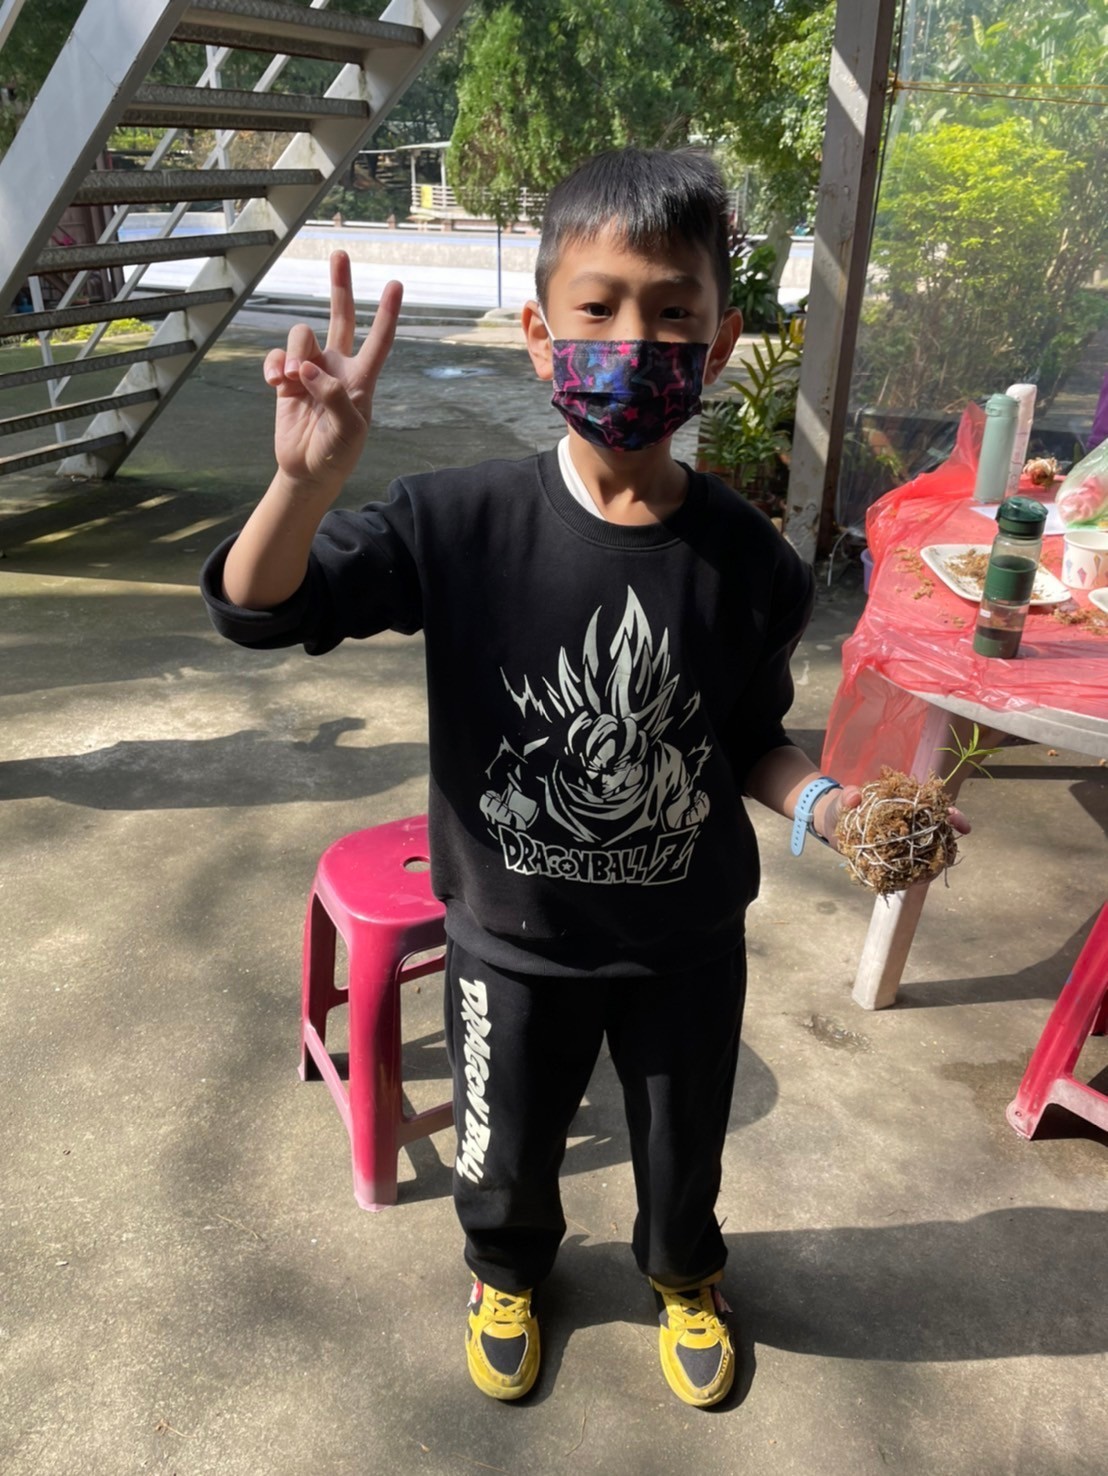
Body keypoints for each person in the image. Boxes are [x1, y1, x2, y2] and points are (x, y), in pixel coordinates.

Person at [200, 148, 959, 1409]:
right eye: (597, 309)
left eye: (672, 312)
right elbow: (261, 609)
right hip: (510, 942)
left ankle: (683, 1274)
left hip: (686, 944)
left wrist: (830, 806)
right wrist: (301, 483)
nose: (633, 341)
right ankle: (505, 1272)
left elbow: (745, 741)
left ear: (717, 346)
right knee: (502, 1149)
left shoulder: (751, 565)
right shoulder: (456, 524)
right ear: (539, 336)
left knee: (682, 1145)